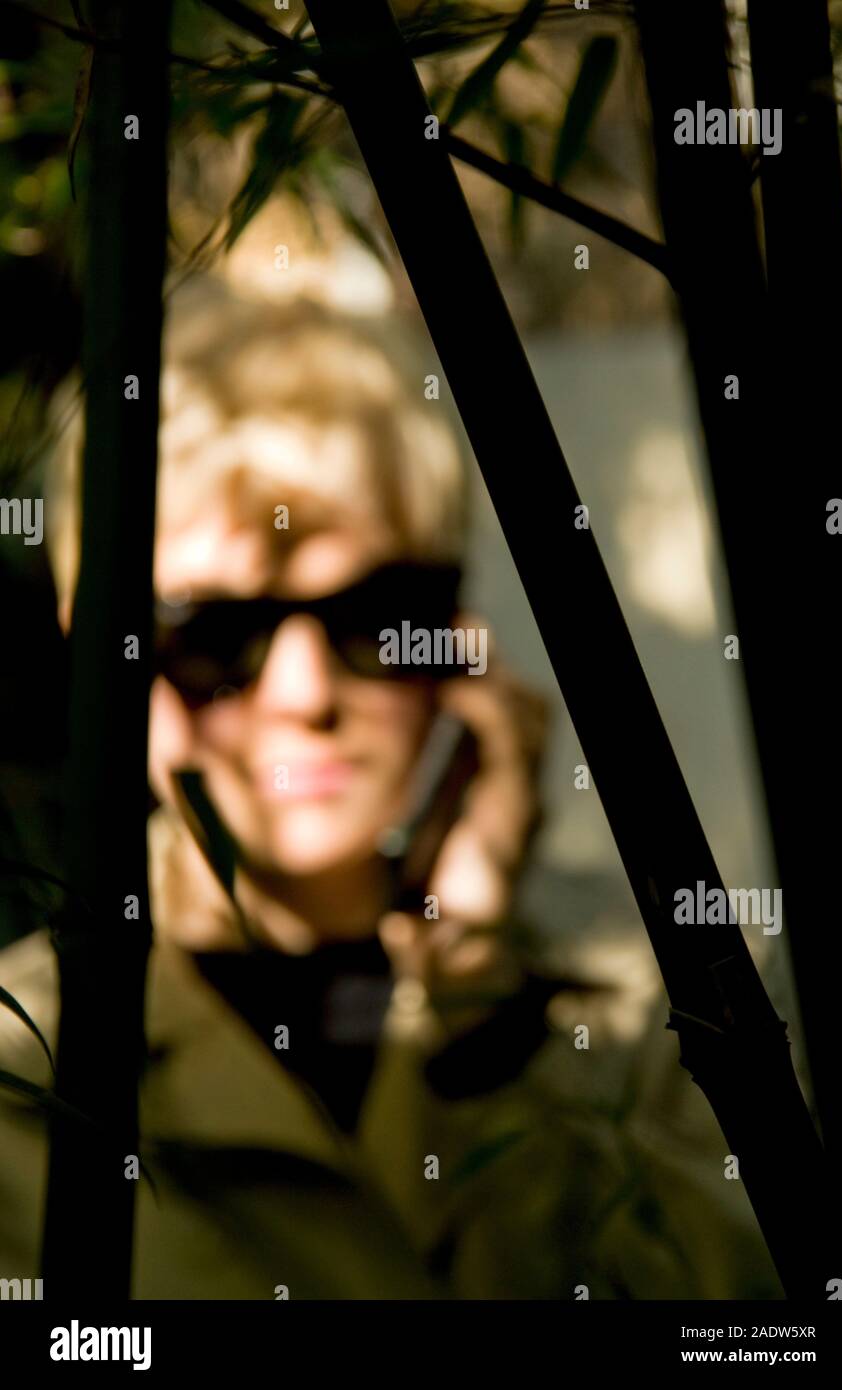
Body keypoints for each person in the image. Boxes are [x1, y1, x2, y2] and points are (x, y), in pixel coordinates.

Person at [0, 280, 783, 1299]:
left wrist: (487, 1018)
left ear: (458, 633)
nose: (304, 694)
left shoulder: (669, 1008)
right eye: (211, 632)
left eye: (376, 615)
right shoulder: (26, 1070)